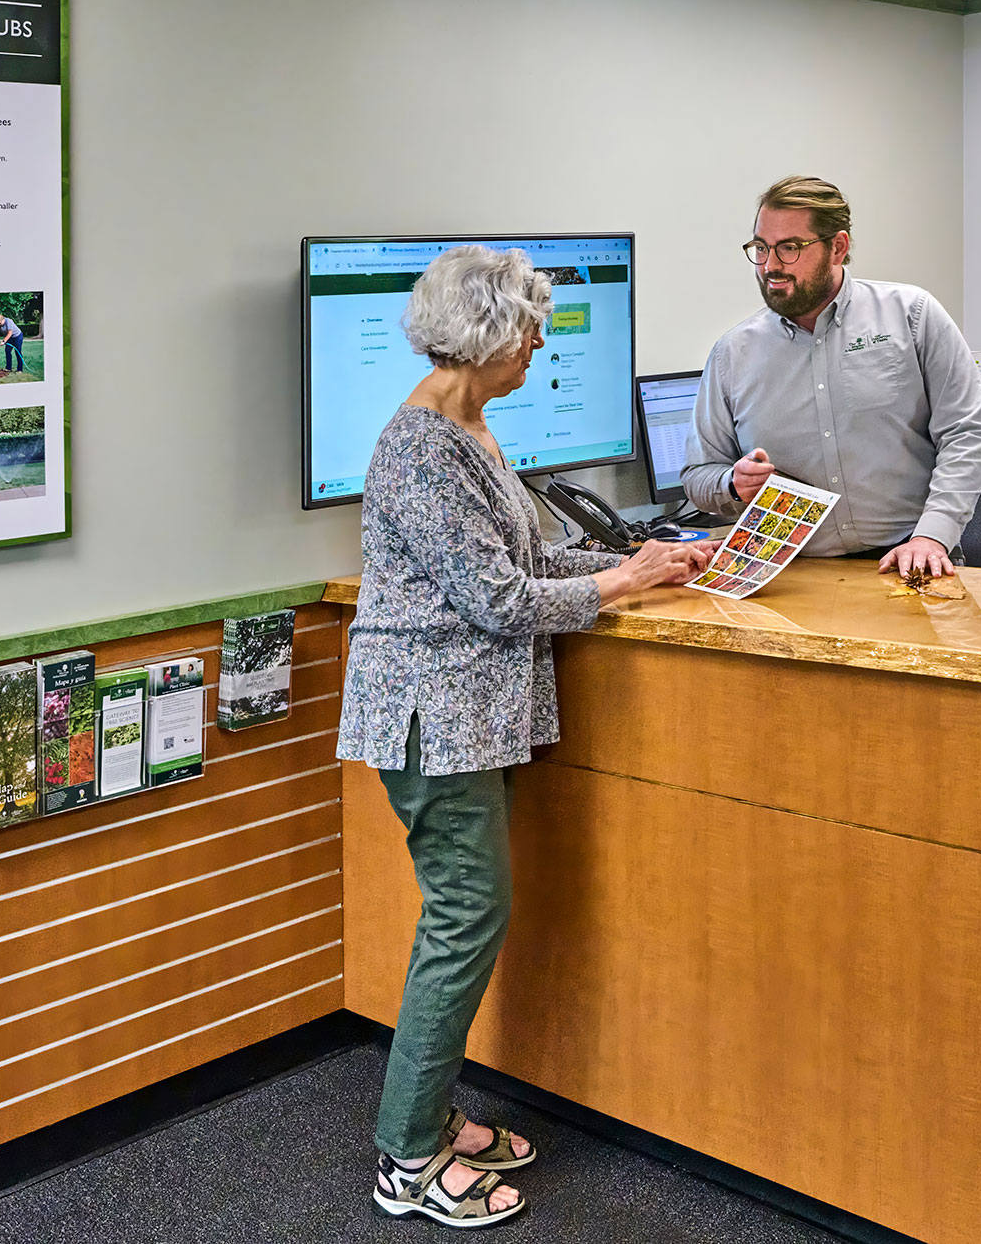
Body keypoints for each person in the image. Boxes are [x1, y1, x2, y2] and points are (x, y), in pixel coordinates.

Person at [339, 245, 711, 1229]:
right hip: (432, 720)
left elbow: (529, 554)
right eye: (530, 330)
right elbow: (500, 600)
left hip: (472, 718)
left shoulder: (475, 432)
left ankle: (427, 1116)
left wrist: (644, 558)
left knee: (467, 915)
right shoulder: (419, 447)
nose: (539, 347)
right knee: (463, 919)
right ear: (485, 335)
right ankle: (406, 1156)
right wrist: (618, 585)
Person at [681, 175, 981, 578]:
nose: (770, 266)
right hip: (794, 577)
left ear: (838, 248)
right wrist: (732, 484)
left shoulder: (912, 316)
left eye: (789, 248)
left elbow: (967, 433)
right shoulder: (733, 353)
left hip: (911, 560)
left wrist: (932, 536)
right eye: (761, 248)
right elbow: (698, 475)